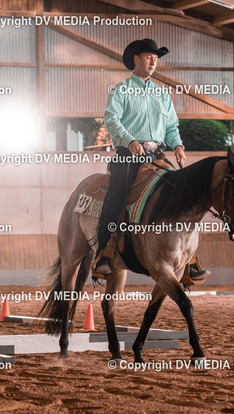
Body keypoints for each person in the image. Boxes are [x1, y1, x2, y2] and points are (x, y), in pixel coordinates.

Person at [92, 38, 207, 280]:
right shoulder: (121, 90)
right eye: (148, 57)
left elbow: (171, 126)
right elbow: (111, 120)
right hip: (128, 155)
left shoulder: (162, 94)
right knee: (116, 196)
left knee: (182, 194)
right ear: (136, 59)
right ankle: (105, 253)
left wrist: (178, 145)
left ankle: (189, 260)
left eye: (156, 58)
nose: (153, 62)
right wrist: (130, 140)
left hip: (157, 155)